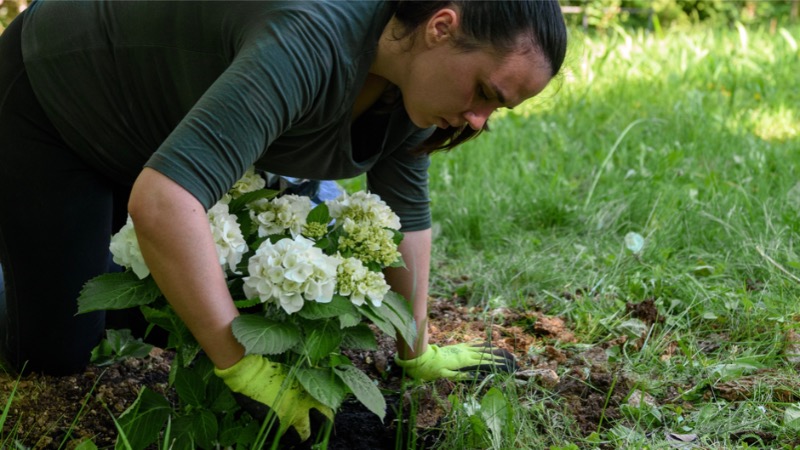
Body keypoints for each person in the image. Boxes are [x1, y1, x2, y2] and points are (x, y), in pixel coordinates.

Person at [0, 0, 567, 440]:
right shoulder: (311, 36)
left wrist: (415, 352)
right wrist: (242, 368)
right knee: (54, 352)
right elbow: (165, 203)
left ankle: (73, 252)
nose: (478, 120)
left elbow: (407, 218)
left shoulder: (418, 86)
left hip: (166, 136)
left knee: (223, 291)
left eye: (497, 108)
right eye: (484, 93)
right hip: (59, 98)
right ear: (441, 27)